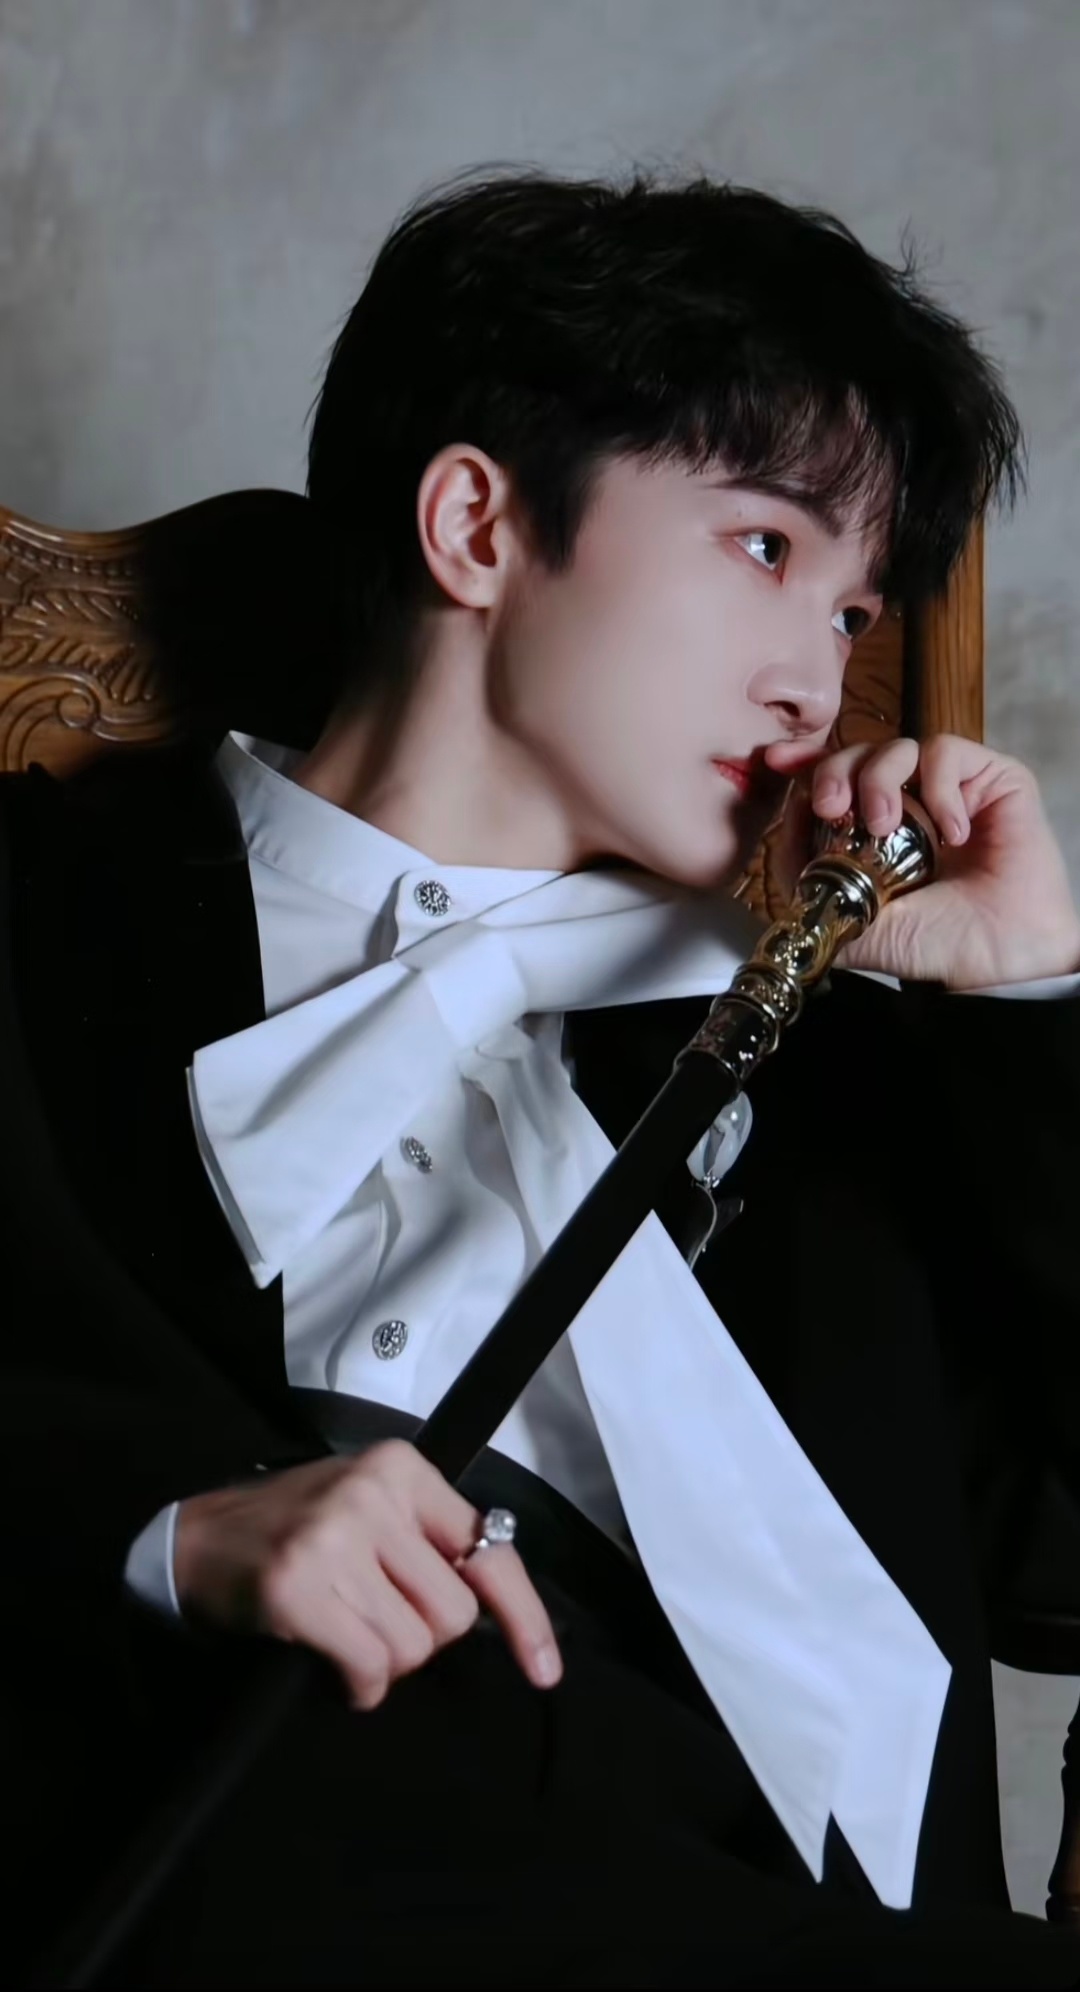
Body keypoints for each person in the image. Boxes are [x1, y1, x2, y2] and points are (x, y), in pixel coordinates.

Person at [4, 168, 1080, 1990]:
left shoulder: (825, 1048)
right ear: (478, 526)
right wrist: (166, 1531)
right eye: (768, 550)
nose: (818, 683)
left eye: (852, 613)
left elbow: (1060, 1554)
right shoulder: (47, 923)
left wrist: (1032, 1000)